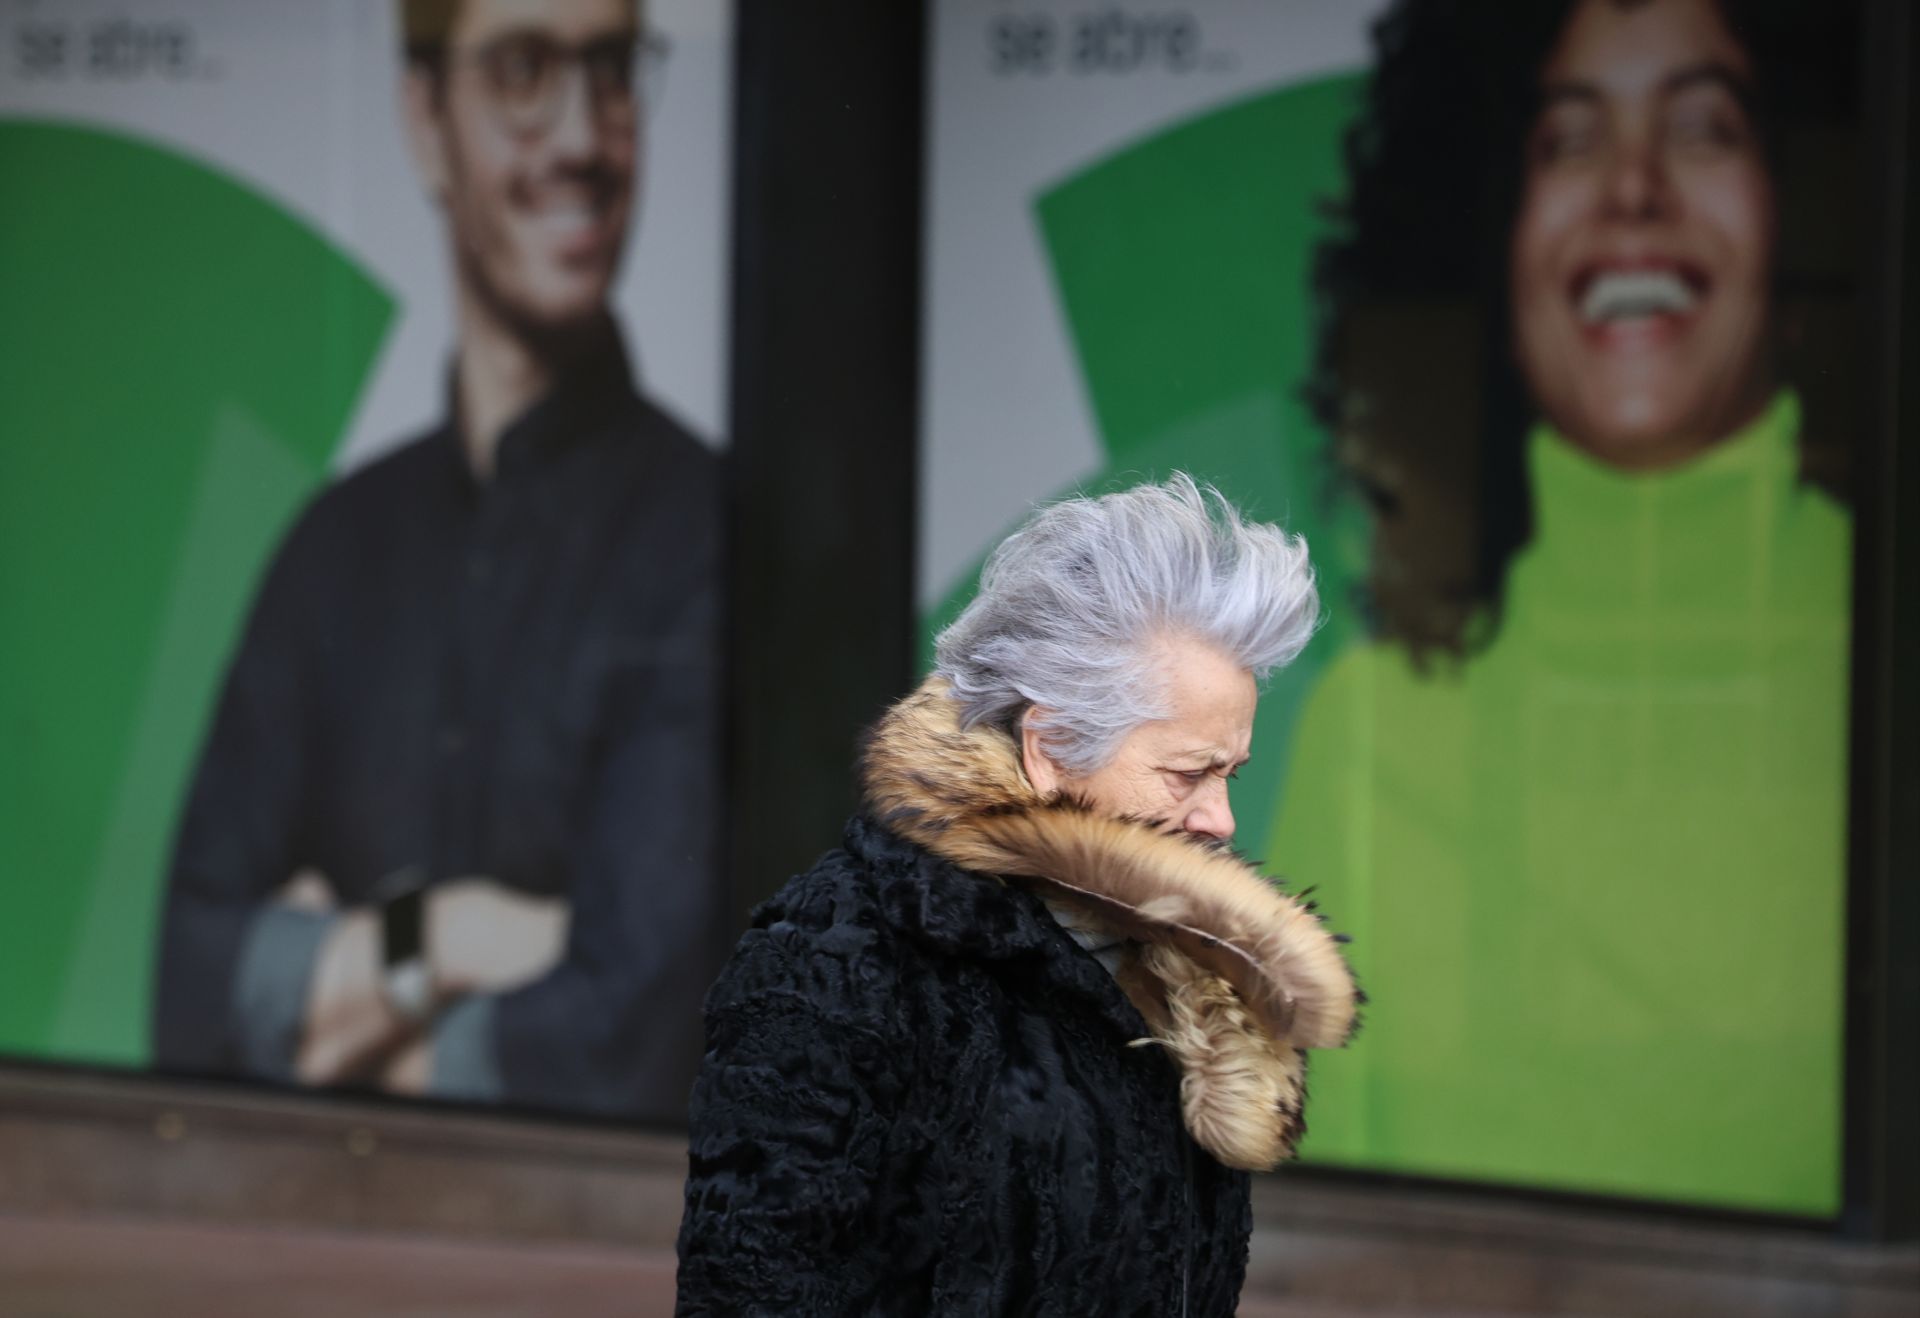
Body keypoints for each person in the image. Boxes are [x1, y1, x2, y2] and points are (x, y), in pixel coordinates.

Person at [1274, 0, 1857, 1211]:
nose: (1633, 189)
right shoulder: (1374, 727)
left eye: (1704, 127)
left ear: (1805, 213)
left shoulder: (1880, 660)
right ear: (1487, 236)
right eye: (1569, 142)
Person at [151, 0, 723, 1123]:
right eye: (521, 69)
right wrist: (457, 935)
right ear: (424, 118)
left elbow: (637, 1036)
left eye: (610, 70)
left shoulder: (719, 537)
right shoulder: (334, 548)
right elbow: (188, 991)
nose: (579, 137)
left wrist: (337, 986)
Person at [676, 476, 1359, 1315]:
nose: (1219, 819)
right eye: (1188, 773)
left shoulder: (1186, 980)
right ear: (1047, 747)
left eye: (1230, 773)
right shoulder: (838, 958)